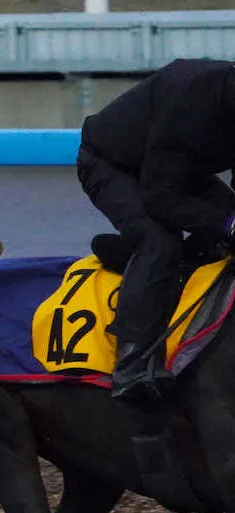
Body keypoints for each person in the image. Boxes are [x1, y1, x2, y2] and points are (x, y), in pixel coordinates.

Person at [77, 58, 235, 402]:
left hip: (175, 168)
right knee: (160, 241)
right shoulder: (193, 100)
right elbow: (160, 198)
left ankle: (134, 259)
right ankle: (131, 361)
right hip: (111, 165)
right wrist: (228, 225)